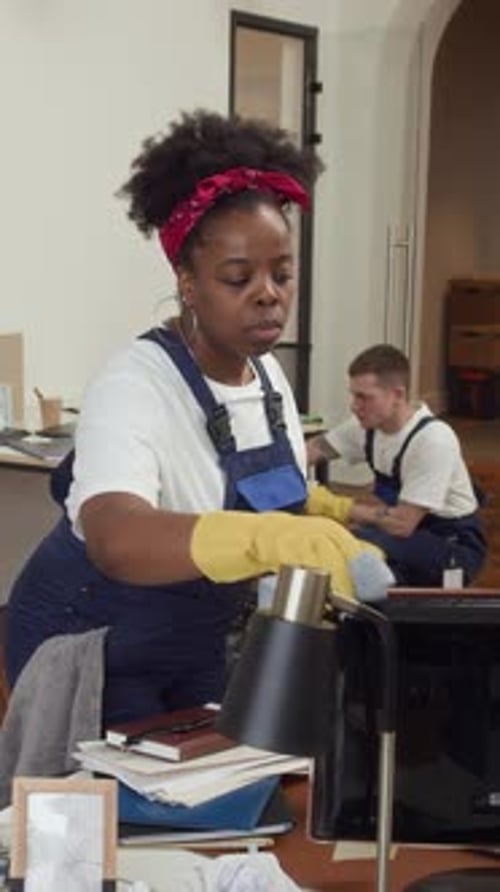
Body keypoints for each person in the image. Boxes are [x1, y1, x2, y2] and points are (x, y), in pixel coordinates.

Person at [5, 110, 393, 725]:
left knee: (212, 793)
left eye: (282, 274)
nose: (269, 293)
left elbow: (281, 495)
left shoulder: (269, 381)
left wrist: (336, 524)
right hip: (90, 641)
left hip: (196, 638)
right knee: (118, 810)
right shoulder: (135, 383)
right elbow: (116, 535)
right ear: (187, 281)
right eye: (239, 277)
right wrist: (269, 538)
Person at [307, 343, 487, 587]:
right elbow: (313, 450)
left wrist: (332, 506)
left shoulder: (432, 440)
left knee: (351, 546)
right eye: (353, 395)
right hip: (411, 533)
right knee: (337, 545)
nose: (354, 406)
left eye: (364, 397)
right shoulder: (367, 427)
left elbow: (402, 524)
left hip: (452, 545)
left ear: (398, 395)